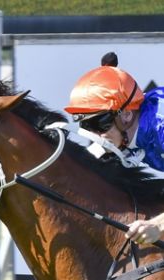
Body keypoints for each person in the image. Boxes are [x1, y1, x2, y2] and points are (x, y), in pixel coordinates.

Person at [62, 53, 164, 245]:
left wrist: (157, 226)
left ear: (126, 114)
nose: (95, 135)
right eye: (87, 126)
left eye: (99, 123)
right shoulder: (125, 132)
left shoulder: (160, 127)